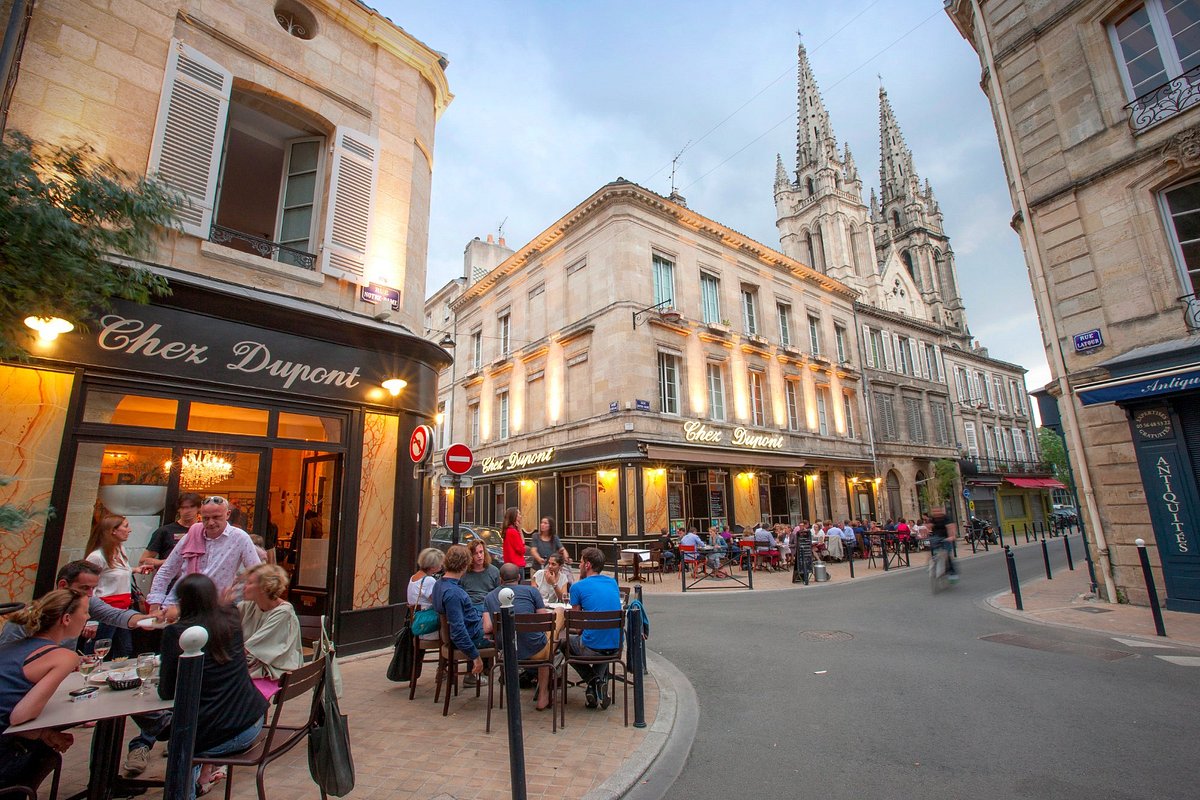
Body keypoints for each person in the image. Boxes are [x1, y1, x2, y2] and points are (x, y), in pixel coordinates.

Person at [158, 574, 268, 799]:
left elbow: (166, 691)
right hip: (254, 719)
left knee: (181, 741)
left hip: (222, 733)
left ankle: (185, 790)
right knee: (188, 728)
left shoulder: (177, 632)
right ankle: (200, 777)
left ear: (182, 601)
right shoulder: (231, 619)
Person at [0, 588, 86, 792]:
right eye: (85, 612)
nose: (88, 617)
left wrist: (45, 734)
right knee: (46, 755)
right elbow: (19, 716)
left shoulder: (10, 646)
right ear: (66, 619)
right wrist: (45, 735)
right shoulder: (63, 656)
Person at [147, 495, 261, 621]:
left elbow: (257, 573)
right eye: (206, 518)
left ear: (227, 514)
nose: (211, 522)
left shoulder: (239, 537)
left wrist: (238, 596)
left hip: (214, 610)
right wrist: (154, 607)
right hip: (179, 605)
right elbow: (166, 570)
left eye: (216, 517)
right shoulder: (191, 535)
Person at [0, 561, 149, 648]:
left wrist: (147, 619)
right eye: (85, 588)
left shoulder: (88, 601)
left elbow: (116, 615)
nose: (90, 594)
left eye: (93, 588)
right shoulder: (26, 619)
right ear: (63, 585)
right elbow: (7, 658)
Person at [482, 563, 556, 711]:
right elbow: (543, 620)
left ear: (500, 579)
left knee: (539, 641)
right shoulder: (531, 591)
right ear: (519, 577)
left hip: (506, 651)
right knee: (556, 618)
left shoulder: (489, 597)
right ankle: (543, 693)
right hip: (536, 648)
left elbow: (487, 627)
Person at [85, 514, 150, 659]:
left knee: (125, 649)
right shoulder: (96, 556)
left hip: (123, 609)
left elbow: (116, 572)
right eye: (125, 526)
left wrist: (136, 570)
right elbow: (88, 587)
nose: (129, 530)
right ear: (113, 530)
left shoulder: (120, 550)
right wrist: (92, 621)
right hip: (104, 611)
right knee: (100, 649)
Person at [568, 547, 622, 710]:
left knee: (565, 644)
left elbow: (577, 626)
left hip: (593, 648)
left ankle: (594, 681)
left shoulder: (577, 587)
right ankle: (595, 690)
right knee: (601, 643)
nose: (579, 565)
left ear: (587, 565)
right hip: (616, 646)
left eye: (581, 562)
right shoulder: (612, 582)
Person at [432, 545, 491, 683]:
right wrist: (475, 656)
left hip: (465, 632)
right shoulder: (454, 593)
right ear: (465, 565)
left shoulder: (438, 584)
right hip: (473, 636)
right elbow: (458, 631)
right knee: (507, 636)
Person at [237, 563, 302, 683]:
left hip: (276, 673)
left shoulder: (283, 612)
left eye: (250, 583)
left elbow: (246, 650)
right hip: (252, 668)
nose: (244, 586)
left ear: (264, 587)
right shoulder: (248, 606)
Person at [140, 492, 203, 569]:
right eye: (183, 507)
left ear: (199, 508)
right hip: (171, 574)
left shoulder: (205, 530)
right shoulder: (165, 531)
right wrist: (170, 561)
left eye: (192, 507)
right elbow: (143, 561)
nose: (187, 511)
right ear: (178, 509)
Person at [460, 539, 501, 607]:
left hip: (488, 606)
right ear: (470, 556)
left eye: (481, 552)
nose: (479, 556)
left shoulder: (494, 571)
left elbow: (498, 593)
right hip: (470, 606)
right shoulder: (464, 572)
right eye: (475, 553)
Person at [928, 507, 958, 580]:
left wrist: (952, 536)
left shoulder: (946, 518)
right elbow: (929, 526)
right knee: (933, 550)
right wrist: (926, 531)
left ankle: (952, 571)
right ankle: (933, 561)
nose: (936, 513)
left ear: (941, 511)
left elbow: (951, 527)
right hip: (936, 537)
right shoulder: (932, 518)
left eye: (937, 511)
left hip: (946, 536)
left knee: (947, 554)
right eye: (934, 512)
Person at [500, 507, 528, 571]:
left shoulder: (507, 530)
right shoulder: (513, 532)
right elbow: (522, 550)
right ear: (514, 517)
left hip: (509, 565)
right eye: (519, 514)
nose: (521, 516)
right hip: (516, 565)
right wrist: (520, 530)